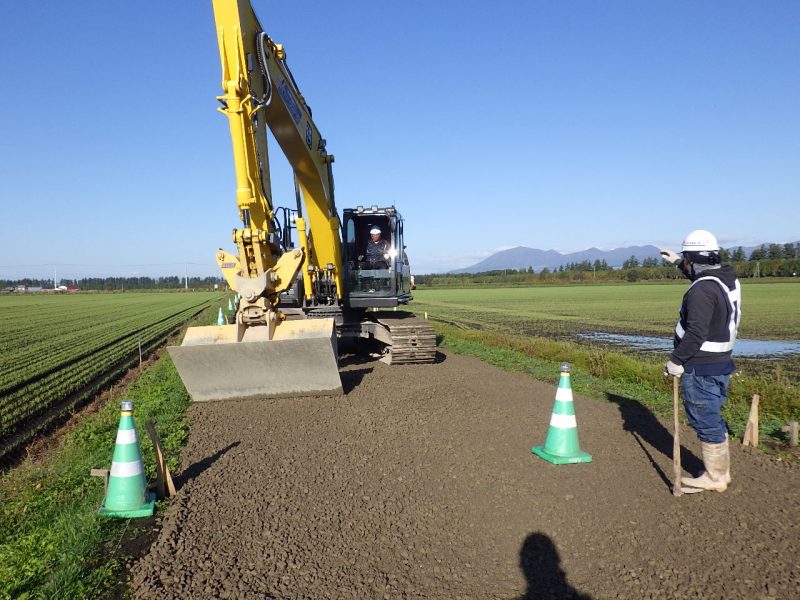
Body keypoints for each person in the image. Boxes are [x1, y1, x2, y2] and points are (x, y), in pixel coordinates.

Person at [660, 229, 741, 492]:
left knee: (704, 418)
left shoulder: (701, 291)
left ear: (692, 258)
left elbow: (696, 332)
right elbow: (702, 276)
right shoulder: (727, 279)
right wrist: (676, 262)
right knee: (712, 416)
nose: (685, 263)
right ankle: (719, 473)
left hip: (700, 365)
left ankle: (715, 478)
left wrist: (676, 360)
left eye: (686, 259)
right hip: (720, 363)